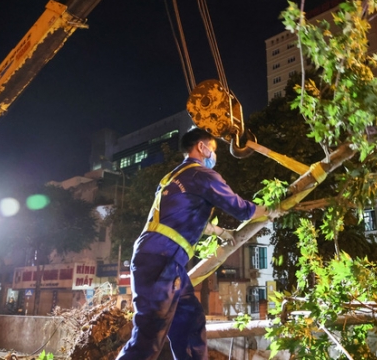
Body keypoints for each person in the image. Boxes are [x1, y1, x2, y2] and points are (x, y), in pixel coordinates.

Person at [116, 128, 277, 360]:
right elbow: (241, 209)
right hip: (162, 258)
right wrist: (270, 211)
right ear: (201, 147)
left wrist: (220, 231)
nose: (214, 155)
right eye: (213, 149)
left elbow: (183, 218)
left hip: (163, 258)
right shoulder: (201, 175)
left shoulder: (174, 177)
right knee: (149, 338)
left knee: (191, 322)